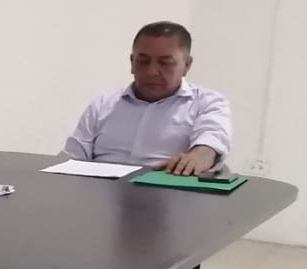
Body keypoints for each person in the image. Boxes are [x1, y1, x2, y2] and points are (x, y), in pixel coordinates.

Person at [63, 21, 231, 176]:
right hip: (100, 192)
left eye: (165, 63)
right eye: (143, 61)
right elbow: (72, 158)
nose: (152, 72)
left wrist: (198, 156)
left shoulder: (207, 102)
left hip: (167, 191)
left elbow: (212, 140)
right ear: (132, 62)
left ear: (187, 65)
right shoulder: (102, 105)